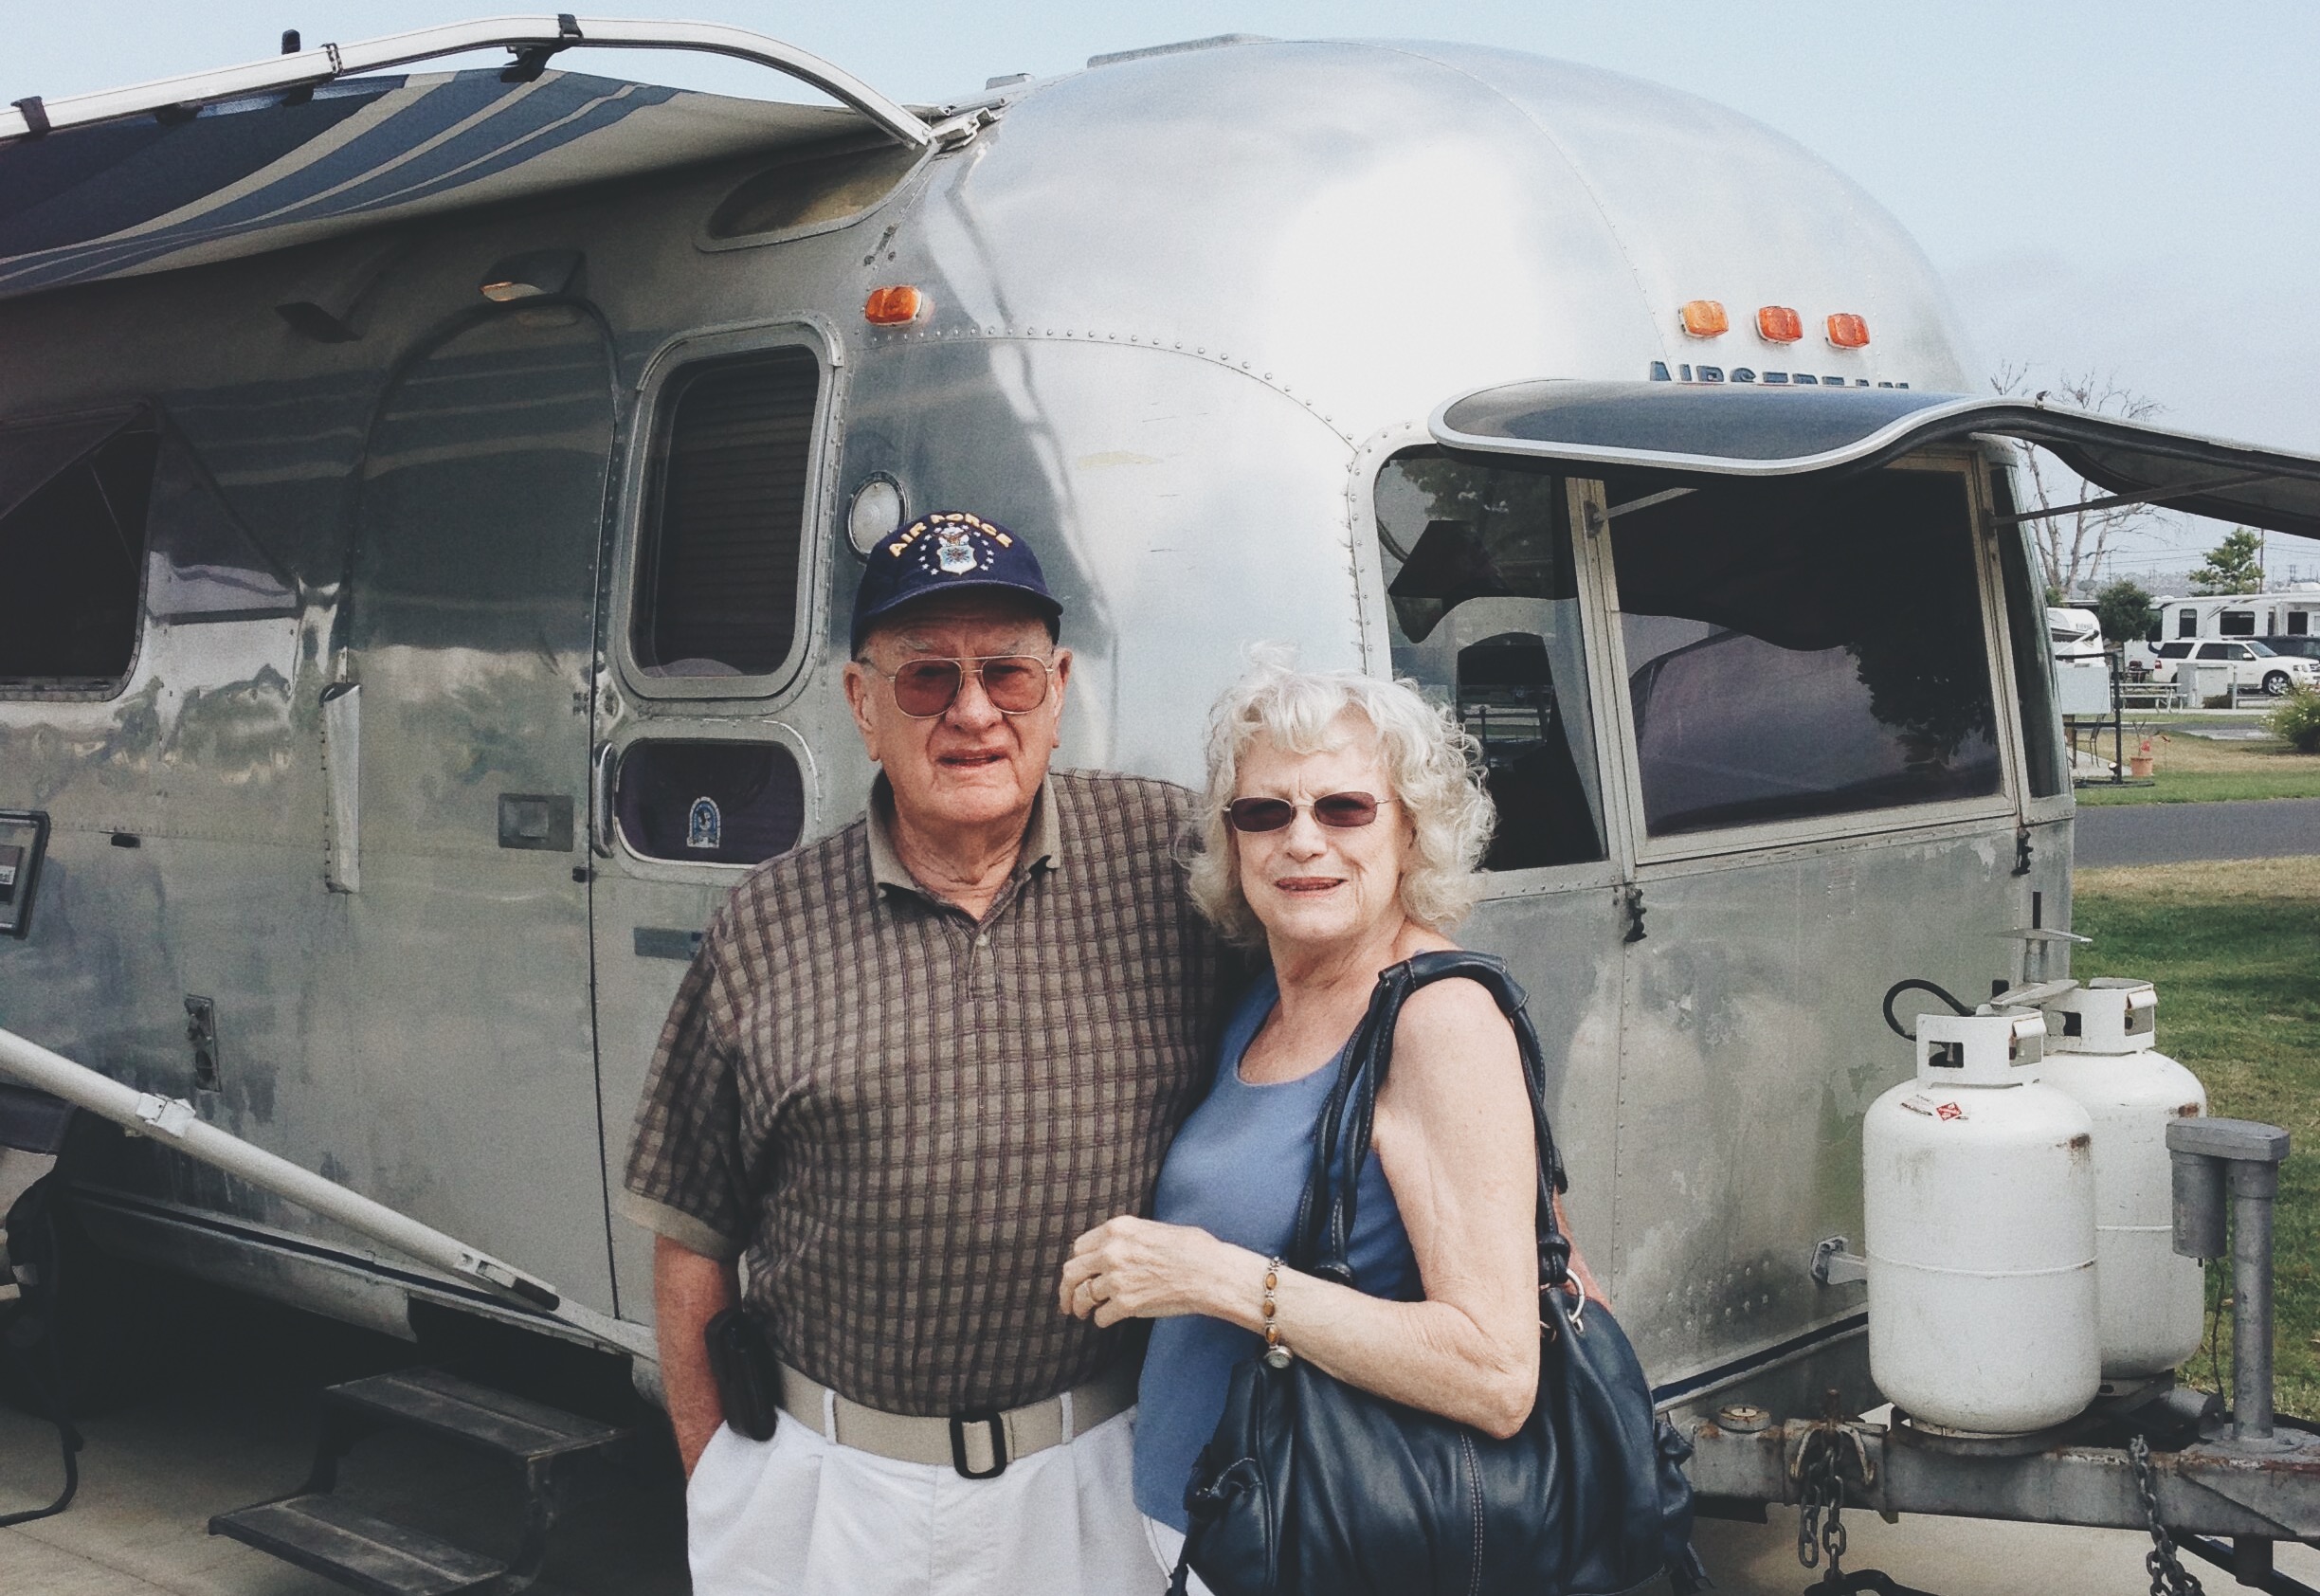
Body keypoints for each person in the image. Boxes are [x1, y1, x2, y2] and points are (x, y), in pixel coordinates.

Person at [622, 511, 1235, 1596]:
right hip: (832, 1495)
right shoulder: (765, 923)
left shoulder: (1170, 862)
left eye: (1007, 674)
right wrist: (720, 1480)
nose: (971, 713)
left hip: (1096, 1481)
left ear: (1059, 689)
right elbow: (691, 1231)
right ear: (863, 704)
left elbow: (1348, 963)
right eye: (925, 681)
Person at [1058, 655, 1602, 1583]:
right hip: (1209, 1531)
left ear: (1411, 833)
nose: (1302, 839)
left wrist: (1216, 1275)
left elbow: (1496, 1371)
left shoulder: (1438, 1020)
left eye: (1345, 808)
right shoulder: (1265, 1004)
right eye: (1265, 811)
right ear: (1232, 843)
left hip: (1330, 1542)